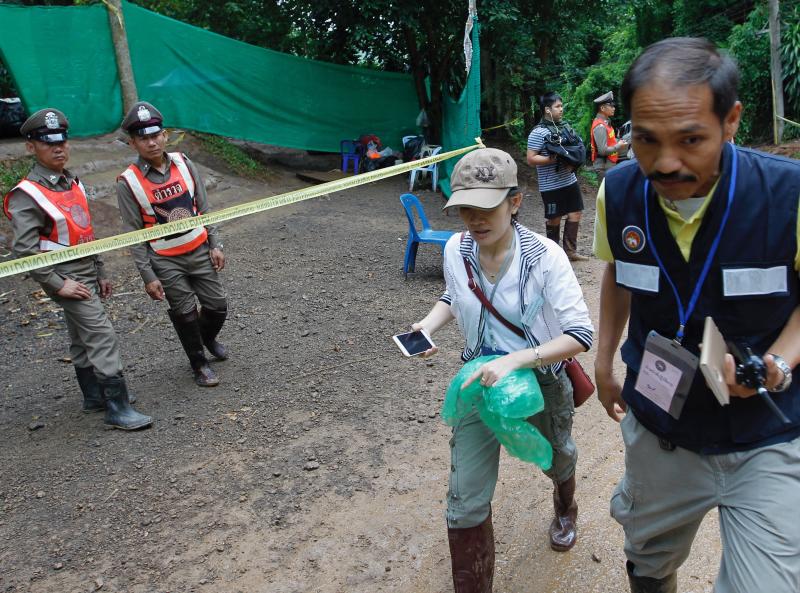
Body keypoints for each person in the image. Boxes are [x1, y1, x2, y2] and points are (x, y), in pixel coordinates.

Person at [593, 37, 800, 593]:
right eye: (645, 139)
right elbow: (617, 277)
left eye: (690, 140)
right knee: (649, 559)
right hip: (662, 428)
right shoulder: (618, 192)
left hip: (767, 436)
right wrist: (605, 360)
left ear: (730, 120)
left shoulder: (788, 193)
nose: (665, 162)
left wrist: (776, 363)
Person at [409, 148, 594, 591]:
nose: (475, 219)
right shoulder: (457, 248)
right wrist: (427, 325)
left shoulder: (545, 256)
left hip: (542, 380)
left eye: (486, 207)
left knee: (557, 454)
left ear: (514, 202)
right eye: (465, 209)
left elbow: (580, 334)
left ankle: (565, 504)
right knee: (465, 500)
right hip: (479, 381)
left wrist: (516, 359)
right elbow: (455, 296)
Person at [3, 108, 152, 430]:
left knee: (81, 335)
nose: (58, 148)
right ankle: (118, 406)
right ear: (31, 147)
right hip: (64, 275)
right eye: (47, 143)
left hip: (85, 268)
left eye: (62, 142)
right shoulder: (27, 194)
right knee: (101, 334)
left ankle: (94, 396)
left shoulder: (71, 182)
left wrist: (100, 270)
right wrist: (57, 284)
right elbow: (24, 251)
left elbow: (84, 232)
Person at [116, 101, 228, 387]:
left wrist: (215, 243)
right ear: (133, 143)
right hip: (166, 259)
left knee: (217, 307)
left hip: (200, 249)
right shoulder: (127, 182)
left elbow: (203, 206)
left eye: (155, 135)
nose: (151, 143)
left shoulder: (184, 162)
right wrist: (148, 275)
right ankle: (199, 364)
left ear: (164, 135)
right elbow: (134, 234)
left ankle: (207, 338)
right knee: (185, 313)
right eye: (143, 138)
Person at [526, 92, 589, 261]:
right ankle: (553, 255)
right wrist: (552, 158)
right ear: (547, 109)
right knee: (554, 218)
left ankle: (570, 252)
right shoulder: (537, 133)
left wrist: (573, 160)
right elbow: (531, 158)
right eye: (557, 106)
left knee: (575, 213)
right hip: (551, 185)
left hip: (569, 180)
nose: (561, 109)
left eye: (561, 106)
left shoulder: (565, 127)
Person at [590, 91, 629, 183]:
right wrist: (618, 146)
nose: (614, 108)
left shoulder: (606, 122)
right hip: (604, 166)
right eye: (611, 106)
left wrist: (620, 141)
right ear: (602, 108)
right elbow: (603, 151)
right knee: (607, 195)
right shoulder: (600, 126)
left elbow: (609, 140)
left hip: (609, 163)